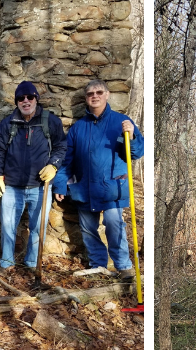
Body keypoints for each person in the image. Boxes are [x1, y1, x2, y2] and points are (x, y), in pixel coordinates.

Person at [52, 80, 143, 281]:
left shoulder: (122, 122)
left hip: (112, 188)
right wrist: (60, 183)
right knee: (88, 230)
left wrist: (132, 136)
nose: (95, 96)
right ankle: (98, 265)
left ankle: (124, 267)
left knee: (114, 225)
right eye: (90, 93)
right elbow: (67, 160)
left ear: (107, 94)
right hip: (84, 187)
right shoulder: (78, 128)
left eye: (99, 92)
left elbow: (136, 154)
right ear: (86, 98)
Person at [0, 81, 66, 272]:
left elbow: (61, 147)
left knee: (37, 228)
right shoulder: (8, 123)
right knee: (8, 227)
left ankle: (33, 263)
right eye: (21, 98)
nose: (25, 101)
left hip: (40, 186)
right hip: (12, 187)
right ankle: (7, 264)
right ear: (16, 102)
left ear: (36, 99)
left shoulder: (51, 121)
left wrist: (53, 165)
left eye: (29, 97)